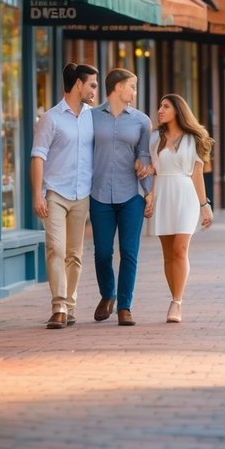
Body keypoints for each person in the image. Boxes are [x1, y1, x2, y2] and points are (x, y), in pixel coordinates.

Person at [31, 62, 99, 329]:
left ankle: (70, 306)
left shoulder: (93, 117)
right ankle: (58, 305)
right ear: (78, 84)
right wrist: (37, 194)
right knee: (55, 249)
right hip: (55, 193)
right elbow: (38, 156)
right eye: (92, 85)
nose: (95, 90)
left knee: (75, 254)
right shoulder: (51, 118)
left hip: (82, 193)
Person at [89, 69, 153, 327]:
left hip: (131, 195)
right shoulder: (91, 117)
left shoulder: (141, 121)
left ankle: (125, 306)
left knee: (129, 251)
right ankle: (108, 294)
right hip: (99, 193)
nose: (134, 92)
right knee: (102, 252)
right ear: (117, 88)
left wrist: (149, 192)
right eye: (132, 87)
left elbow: (145, 157)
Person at [147, 93, 214, 324]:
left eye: (166, 106)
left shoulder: (194, 138)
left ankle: (177, 302)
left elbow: (197, 175)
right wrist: (150, 196)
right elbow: (152, 172)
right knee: (167, 255)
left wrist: (204, 206)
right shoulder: (155, 138)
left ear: (178, 110)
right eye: (160, 106)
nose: (160, 110)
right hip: (163, 195)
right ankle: (173, 296)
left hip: (185, 195)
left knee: (179, 250)